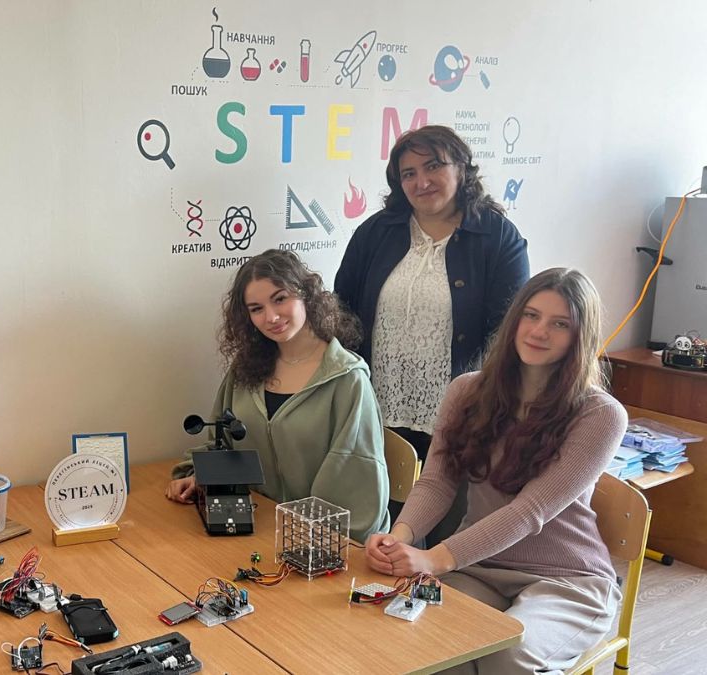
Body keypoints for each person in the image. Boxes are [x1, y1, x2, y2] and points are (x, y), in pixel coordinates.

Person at [366, 268, 625, 674]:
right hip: (478, 568)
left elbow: (529, 511)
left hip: (566, 580)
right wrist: (398, 539)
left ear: (581, 336)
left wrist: (434, 559)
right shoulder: (466, 390)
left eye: (560, 324)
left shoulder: (601, 414)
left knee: (510, 654)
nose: (539, 331)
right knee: (421, 642)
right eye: (531, 315)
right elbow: (436, 481)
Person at [334, 124, 530, 537]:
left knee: (444, 528)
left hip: (460, 416)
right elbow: (341, 311)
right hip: (378, 406)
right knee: (382, 525)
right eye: (408, 173)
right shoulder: (377, 231)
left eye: (433, 166)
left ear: (461, 168)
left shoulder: (497, 236)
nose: (421, 181)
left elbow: (509, 332)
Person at [166, 249, 390, 541]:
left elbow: (356, 487)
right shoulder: (245, 370)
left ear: (306, 294)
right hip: (255, 524)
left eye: (280, 299)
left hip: (318, 542)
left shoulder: (348, 380)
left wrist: (295, 534)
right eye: (256, 308)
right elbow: (221, 443)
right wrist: (201, 477)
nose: (271, 317)